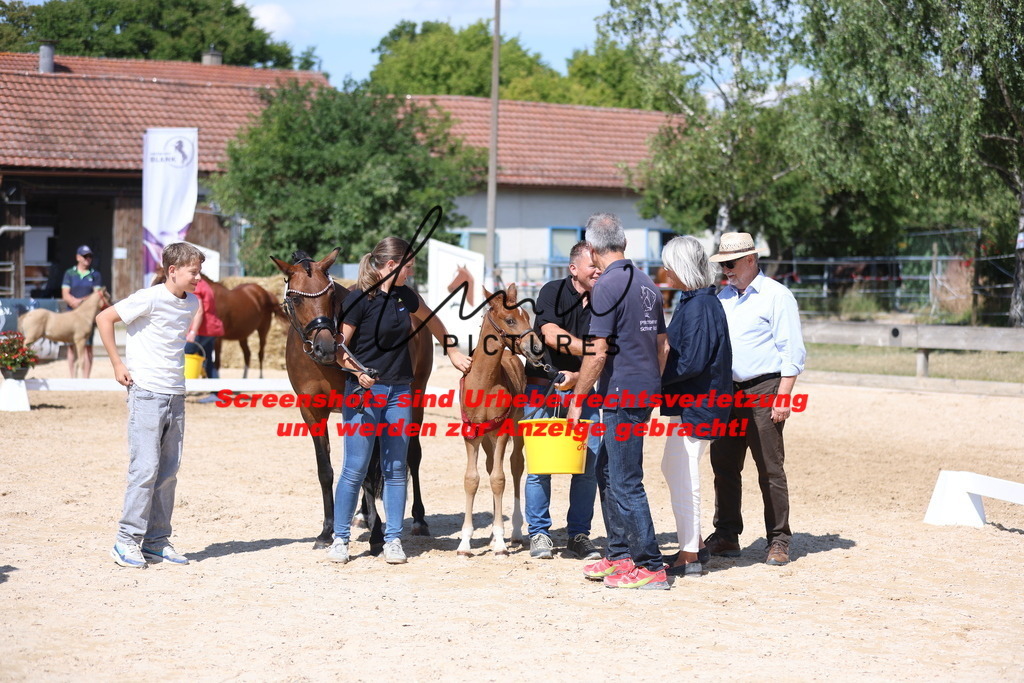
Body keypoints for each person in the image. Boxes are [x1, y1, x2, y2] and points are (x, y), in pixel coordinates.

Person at [328, 237, 471, 565]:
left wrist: (451, 349)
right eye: (408, 266)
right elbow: (339, 348)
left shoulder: (406, 296)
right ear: (391, 265)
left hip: (400, 392)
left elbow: (434, 321)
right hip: (364, 393)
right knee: (354, 467)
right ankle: (340, 538)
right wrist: (356, 371)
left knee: (395, 468)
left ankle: (393, 539)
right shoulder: (356, 300)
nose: (411, 272)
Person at [567, 213, 670, 590]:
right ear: (623, 242)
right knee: (607, 472)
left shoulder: (607, 285)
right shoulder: (647, 283)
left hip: (621, 393)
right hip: (641, 387)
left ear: (591, 250)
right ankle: (620, 554)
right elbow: (662, 345)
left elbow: (596, 354)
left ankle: (650, 564)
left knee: (626, 480)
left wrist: (578, 398)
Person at [97, 242, 204, 568]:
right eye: (193, 272)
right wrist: (117, 364)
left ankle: (157, 541)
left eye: (199, 271)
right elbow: (104, 318)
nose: (198, 277)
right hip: (146, 394)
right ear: (172, 271)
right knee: (144, 470)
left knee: (168, 473)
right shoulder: (149, 297)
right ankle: (125, 541)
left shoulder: (193, 303)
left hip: (176, 395)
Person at [706, 232, 806, 566]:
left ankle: (778, 538)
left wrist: (784, 395)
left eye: (731, 264)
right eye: (723, 265)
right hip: (727, 391)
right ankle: (727, 532)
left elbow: (791, 349)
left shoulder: (777, 296)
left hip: (765, 389)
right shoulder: (723, 298)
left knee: (770, 467)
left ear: (751, 260)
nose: (727, 271)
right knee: (723, 464)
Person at [658, 236, 733, 577]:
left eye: (669, 264)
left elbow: (690, 362)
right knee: (674, 468)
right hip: (689, 402)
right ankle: (695, 543)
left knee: (685, 474)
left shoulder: (701, 306)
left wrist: (654, 379)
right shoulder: (694, 302)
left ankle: (690, 554)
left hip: (699, 404)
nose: (665, 271)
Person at [523, 241, 602, 561]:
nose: (598, 270)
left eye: (600, 265)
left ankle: (579, 534)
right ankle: (539, 533)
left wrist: (581, 377)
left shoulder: (605, 297)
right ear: (573, 269)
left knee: (588, 465)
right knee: (540, 466)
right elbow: (551, 334)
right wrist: (595, 353)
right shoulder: (551, 291)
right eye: (592, 266)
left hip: (585, 388)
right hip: (543, 386)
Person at [61, 244, 103, 377]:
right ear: (78, 257)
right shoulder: (69, 273)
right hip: (71, 314)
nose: (88, 259)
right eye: (85, 256)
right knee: (71, 346)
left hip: (87, 318)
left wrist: (81, 302)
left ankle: (86, 378)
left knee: (87, 346)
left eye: (90, 256)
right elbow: (65, 293)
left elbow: (97, 295)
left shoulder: (95, 274)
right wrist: (72, 301)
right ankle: (72, 376)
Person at [186, 274, 225, 403]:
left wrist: (193, 331)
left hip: (202, 330)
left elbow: (199, 311)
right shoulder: (205, 285)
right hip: (212, 328)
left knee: (184, 353)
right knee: (208, 360)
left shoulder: (196, 287)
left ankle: (179, 389)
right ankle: (216, 393)